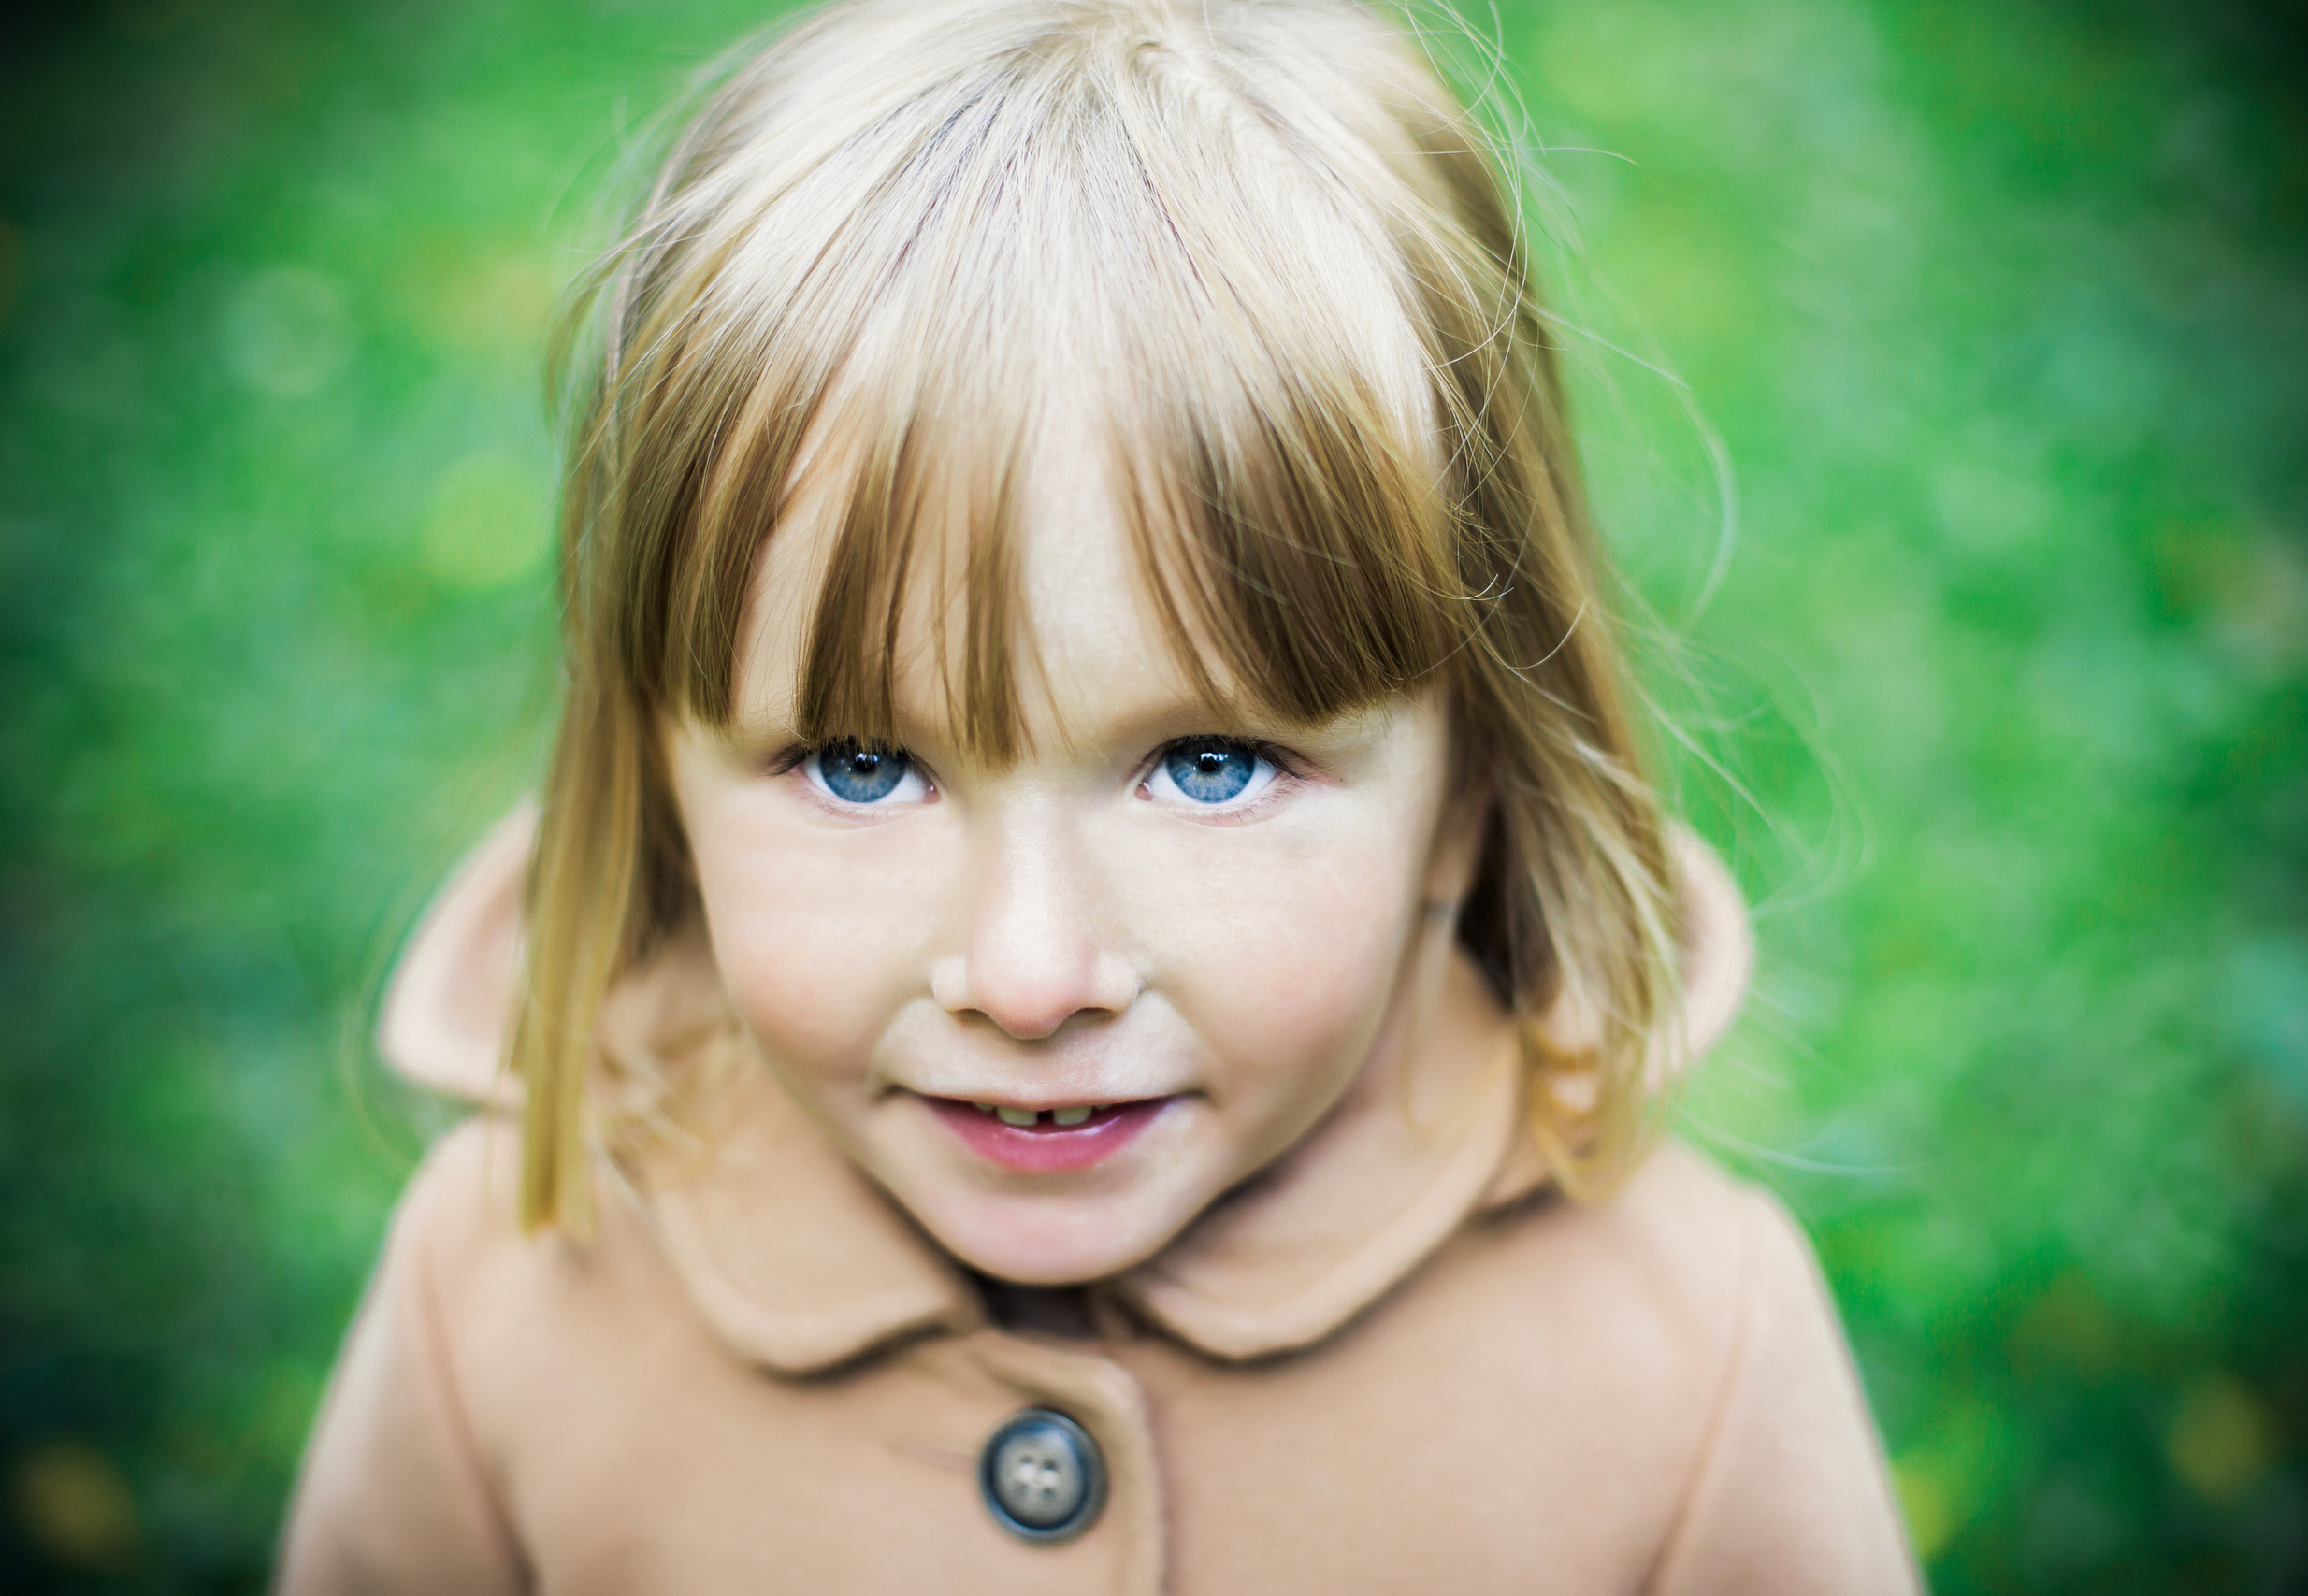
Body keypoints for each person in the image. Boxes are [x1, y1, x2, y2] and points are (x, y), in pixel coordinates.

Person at [278, 0, 1920, 1589]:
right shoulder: (504, 1286)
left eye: (1211, 766)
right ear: (661, 776)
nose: (1029, 978)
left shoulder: (1686, 1358)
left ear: (1474, 791)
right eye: (862, 765)